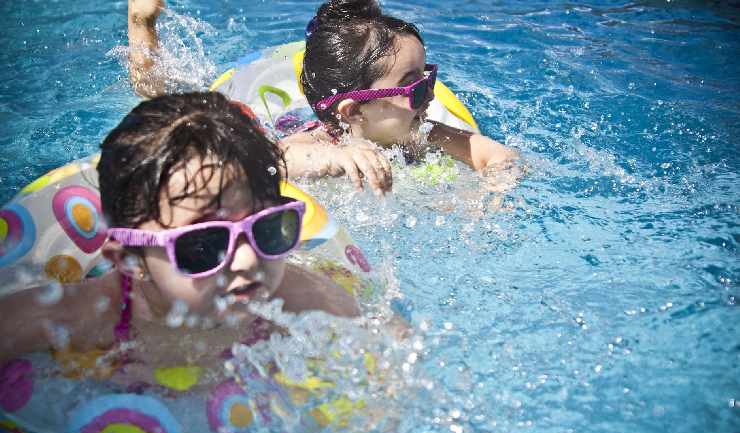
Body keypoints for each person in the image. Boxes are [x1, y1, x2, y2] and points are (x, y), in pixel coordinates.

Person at [0, 92, 359, 380]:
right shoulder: (81, 317)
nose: (248, 260)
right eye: (204, 244)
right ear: (129, 258)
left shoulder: (298, 298)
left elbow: (389, 349)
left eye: (267, 228)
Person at [126, 0, 519, 196]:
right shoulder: (318, 140)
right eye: (415, 88)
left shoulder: (424, 133)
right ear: (353, 110)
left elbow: (496, 156)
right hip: (280, 119)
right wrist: (333, 158)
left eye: (428, 80)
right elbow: (268, 165)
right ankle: (141, 23)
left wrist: (490, 196)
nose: (428, 97)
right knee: (166, 103)